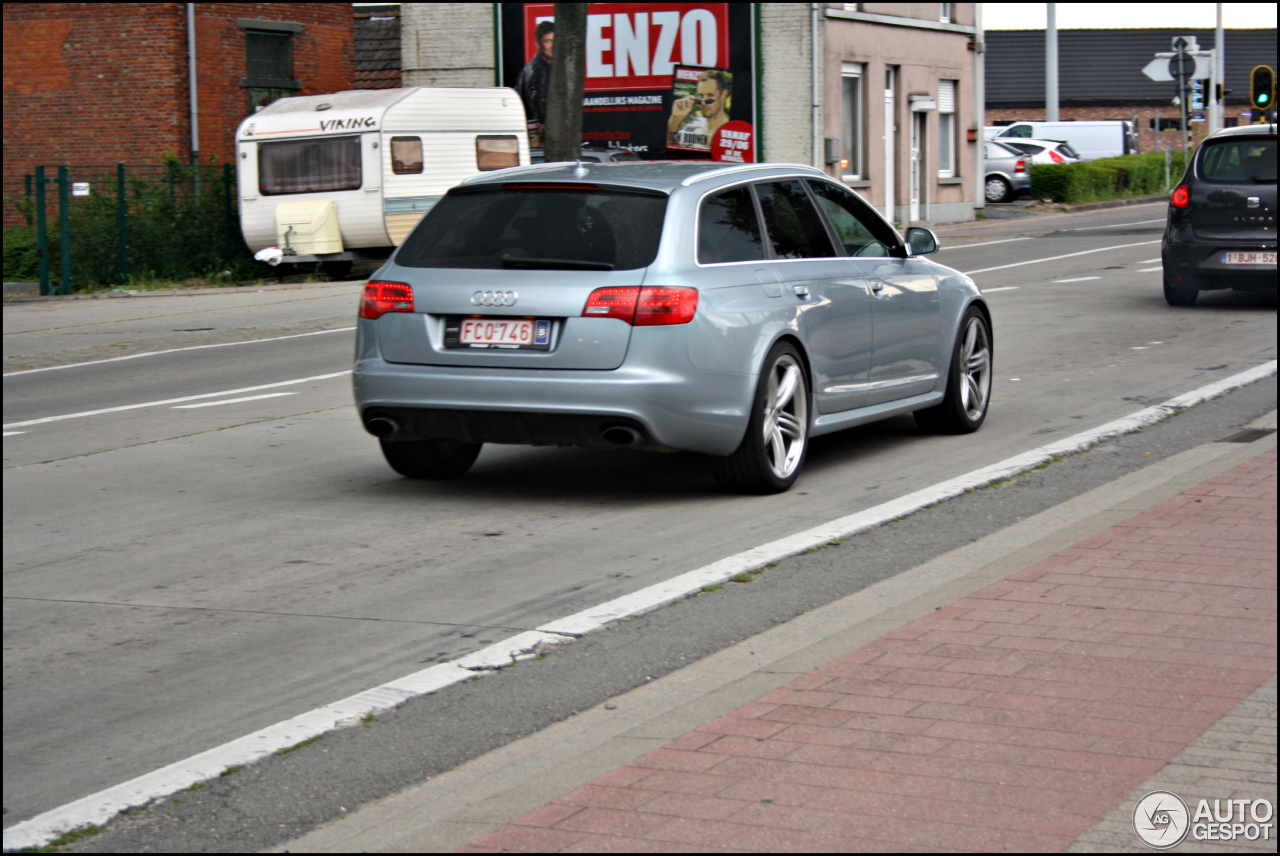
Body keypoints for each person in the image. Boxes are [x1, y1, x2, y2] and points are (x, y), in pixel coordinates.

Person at [668, 70, 731, 151]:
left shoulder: (731, 130)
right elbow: (673, 151)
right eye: (700, 96)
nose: (703, 103)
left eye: (710, 96)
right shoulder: (695, 124)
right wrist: (675, 119)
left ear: (723, 95)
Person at [516, 20, 554, 148]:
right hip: (541, 134)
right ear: (538, 44)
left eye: (555, 41)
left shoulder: (528, 68)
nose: (552, 46)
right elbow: (539, 99)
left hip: (529, 130)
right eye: (547, 41)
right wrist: (544, 125)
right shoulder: (542, 70)